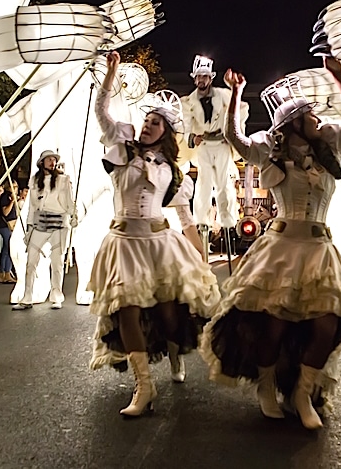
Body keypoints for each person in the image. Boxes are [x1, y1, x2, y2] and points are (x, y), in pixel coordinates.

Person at [200, 57, 341, 430]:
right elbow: (234, 140)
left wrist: (339, 78)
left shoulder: (330, 149)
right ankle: (267, 386)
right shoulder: (269, 151)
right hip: (280, 247)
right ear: (293, 124)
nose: (318, 120)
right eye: (310, 116)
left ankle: (303, 394)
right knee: (270, 326)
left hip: (319, 249)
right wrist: (238, 95)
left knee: (325, 324)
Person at [87, 51, 220, 417]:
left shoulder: (172, 172)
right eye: (145, 120)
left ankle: (175, 353)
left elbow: (186, 220)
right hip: (124, 243)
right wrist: (111, 74)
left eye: (155, 123)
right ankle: (144, 385)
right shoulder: (122, 150)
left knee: (169, 316)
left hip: (160, 244)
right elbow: (103, 113)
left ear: (166, 134)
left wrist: (201, 260)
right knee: (126, 311)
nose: (147, 126)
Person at [181, 55, 247, 248]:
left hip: (221, 143)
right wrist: (192, 138)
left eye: (205, 76)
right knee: (204, 181)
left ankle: (228, 220)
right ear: (195, 79)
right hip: (203, 145)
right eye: (199, 77)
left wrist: (232, 133)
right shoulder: (188, 102)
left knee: (224, 182)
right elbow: (185, 124)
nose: (202, 80)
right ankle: (202, 220)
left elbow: (241, 108)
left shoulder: (222, 95)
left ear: (211, 78)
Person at [14, 150, 77, 310]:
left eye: (53, 159)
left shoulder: (63, 180)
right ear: (42, 162)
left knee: (57, 262)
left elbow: (70, 201)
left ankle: (56, 296)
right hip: (40, 221)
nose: (52, 162)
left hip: (59, 221)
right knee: (31, 261)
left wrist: (73, 215)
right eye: (49, 159)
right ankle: (27, 296)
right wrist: (29, 229)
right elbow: (32, 207)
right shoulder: (35, 180)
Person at [0, 179, 18, 285]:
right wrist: (12, 201)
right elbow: (6, 212)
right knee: (9, 249)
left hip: (9, 225)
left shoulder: (9, 196)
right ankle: (6, 272)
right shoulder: (6, 197)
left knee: (5, 249)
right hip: (5, 225)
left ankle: (2, 272)